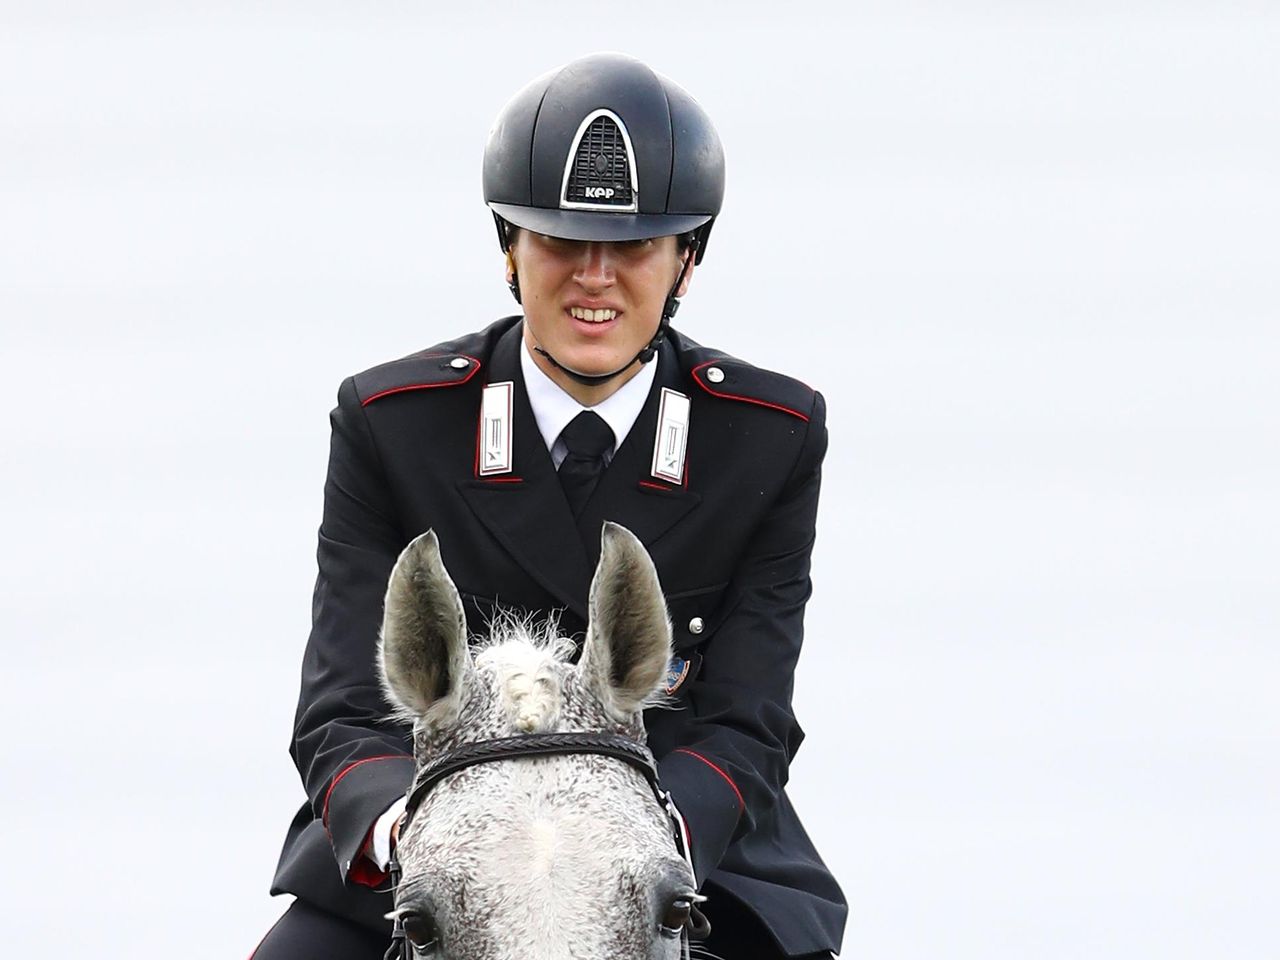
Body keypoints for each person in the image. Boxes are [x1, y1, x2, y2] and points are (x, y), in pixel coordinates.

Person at [254, 52, 847, 959]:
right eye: (560, 241)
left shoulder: (769, 432)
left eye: (638, 246)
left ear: (688, 258)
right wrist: (418, 838)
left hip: (678, 846)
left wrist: (629, 839)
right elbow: (341, 708)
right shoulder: (392, 422)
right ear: (509, 249)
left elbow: (747, 716)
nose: (595, 278)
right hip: (440, 837)